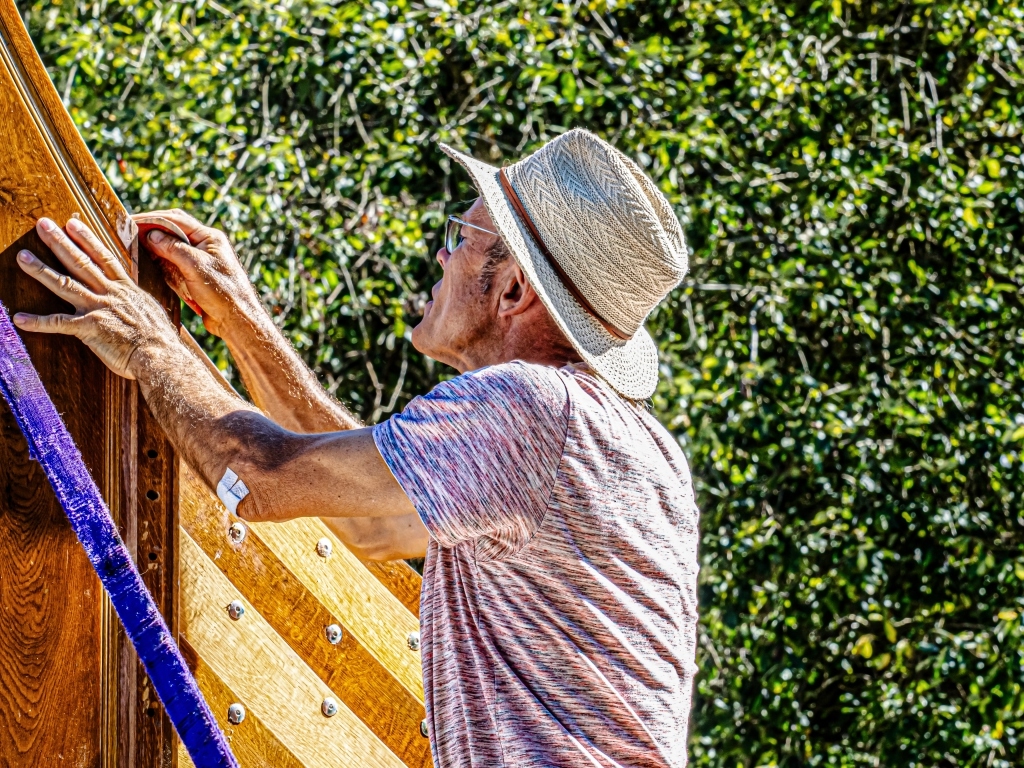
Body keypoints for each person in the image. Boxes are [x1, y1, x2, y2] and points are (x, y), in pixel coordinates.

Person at [14, 128, 699, 767]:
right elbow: (367, 515)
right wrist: (241, 323)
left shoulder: (531, 411)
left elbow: (255, 478)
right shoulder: (635, 448)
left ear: (514, 288)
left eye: (461, 234)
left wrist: (150, 345)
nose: (441, 252)